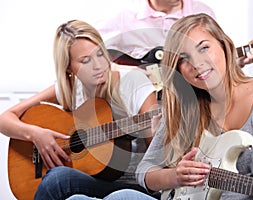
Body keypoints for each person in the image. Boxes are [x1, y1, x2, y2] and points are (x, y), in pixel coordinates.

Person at [133, 13, 253, 200]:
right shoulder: (184, 108)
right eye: (183, 58)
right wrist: (175, 176)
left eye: (203, 48)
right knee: (124, 195)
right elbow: (144, 171)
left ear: (225, 46)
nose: (196, 63)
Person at [0, 20, 159, 199]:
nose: (99, 65)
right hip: (90, 180)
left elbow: (157, 156)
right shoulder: (70, 88)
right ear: (68, 67)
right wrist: (36, 135)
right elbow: (5, 119)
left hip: (133, 185)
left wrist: (160, 126)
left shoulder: (133, 82)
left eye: (100, 54)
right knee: (59, 179)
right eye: (85, 61)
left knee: (59, 180)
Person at [96, 0, 253, 68]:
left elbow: (213, 66)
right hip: (142, 116)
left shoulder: (202, 12)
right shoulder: (125, 18)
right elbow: (85, 51)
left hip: (190, 107)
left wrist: (238, 61)